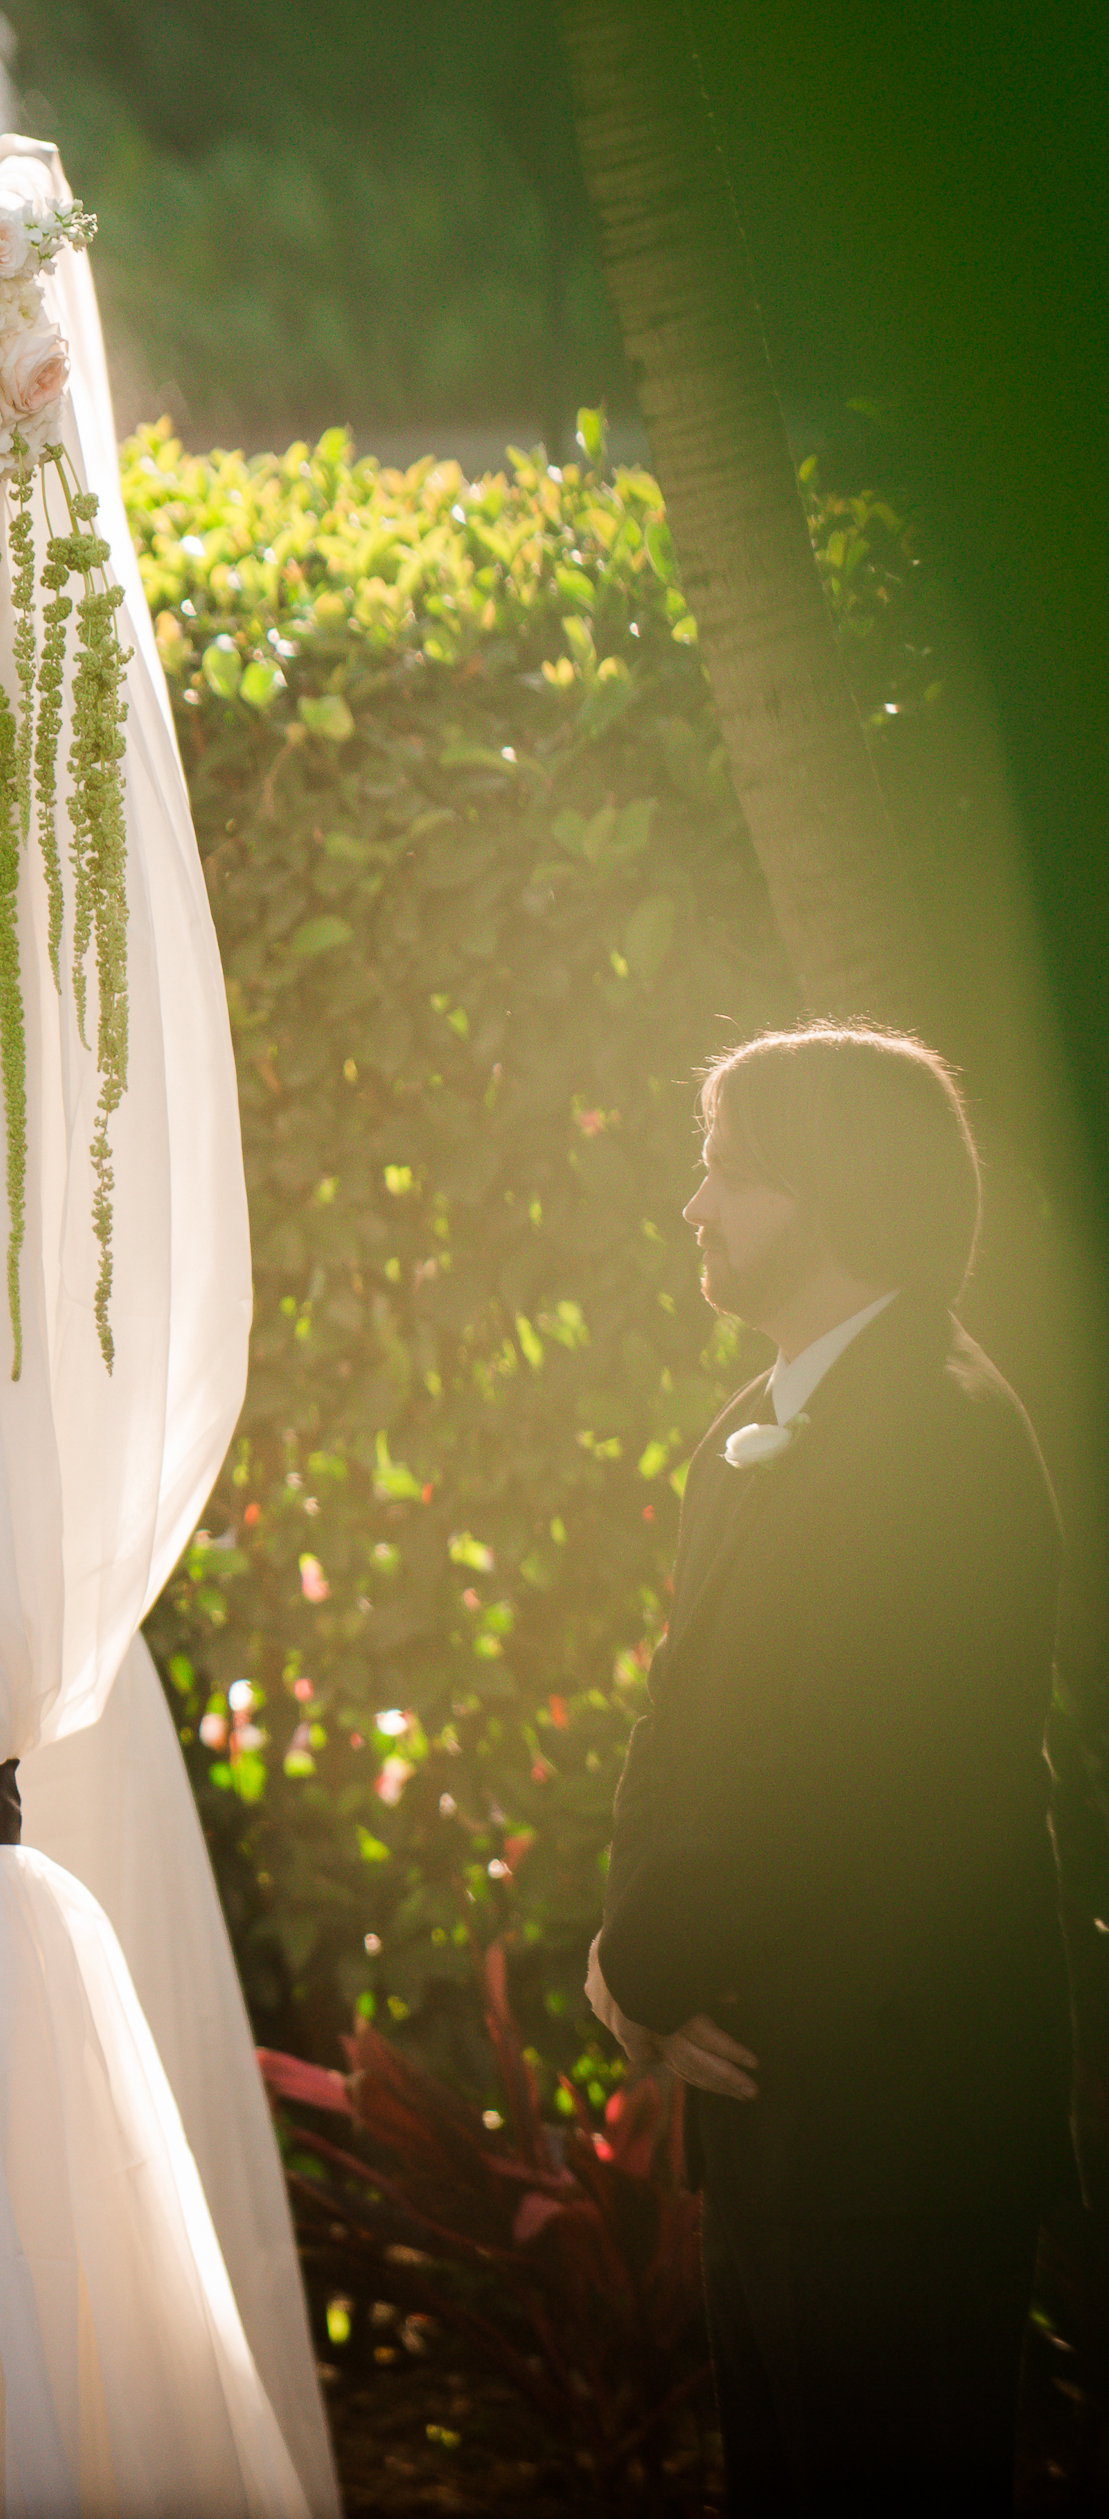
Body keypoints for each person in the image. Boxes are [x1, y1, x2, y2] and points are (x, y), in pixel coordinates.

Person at [590, 1025, 1070, 2516]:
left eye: (733, 1171)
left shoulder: (933, 1432)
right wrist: (631, 1973)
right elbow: (681, 1739)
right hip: (774, 2113)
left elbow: (829, 1777)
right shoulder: (761, 1423)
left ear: (838, 1190)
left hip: (899, 2125)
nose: (696, 1210)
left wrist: (648, 1967)